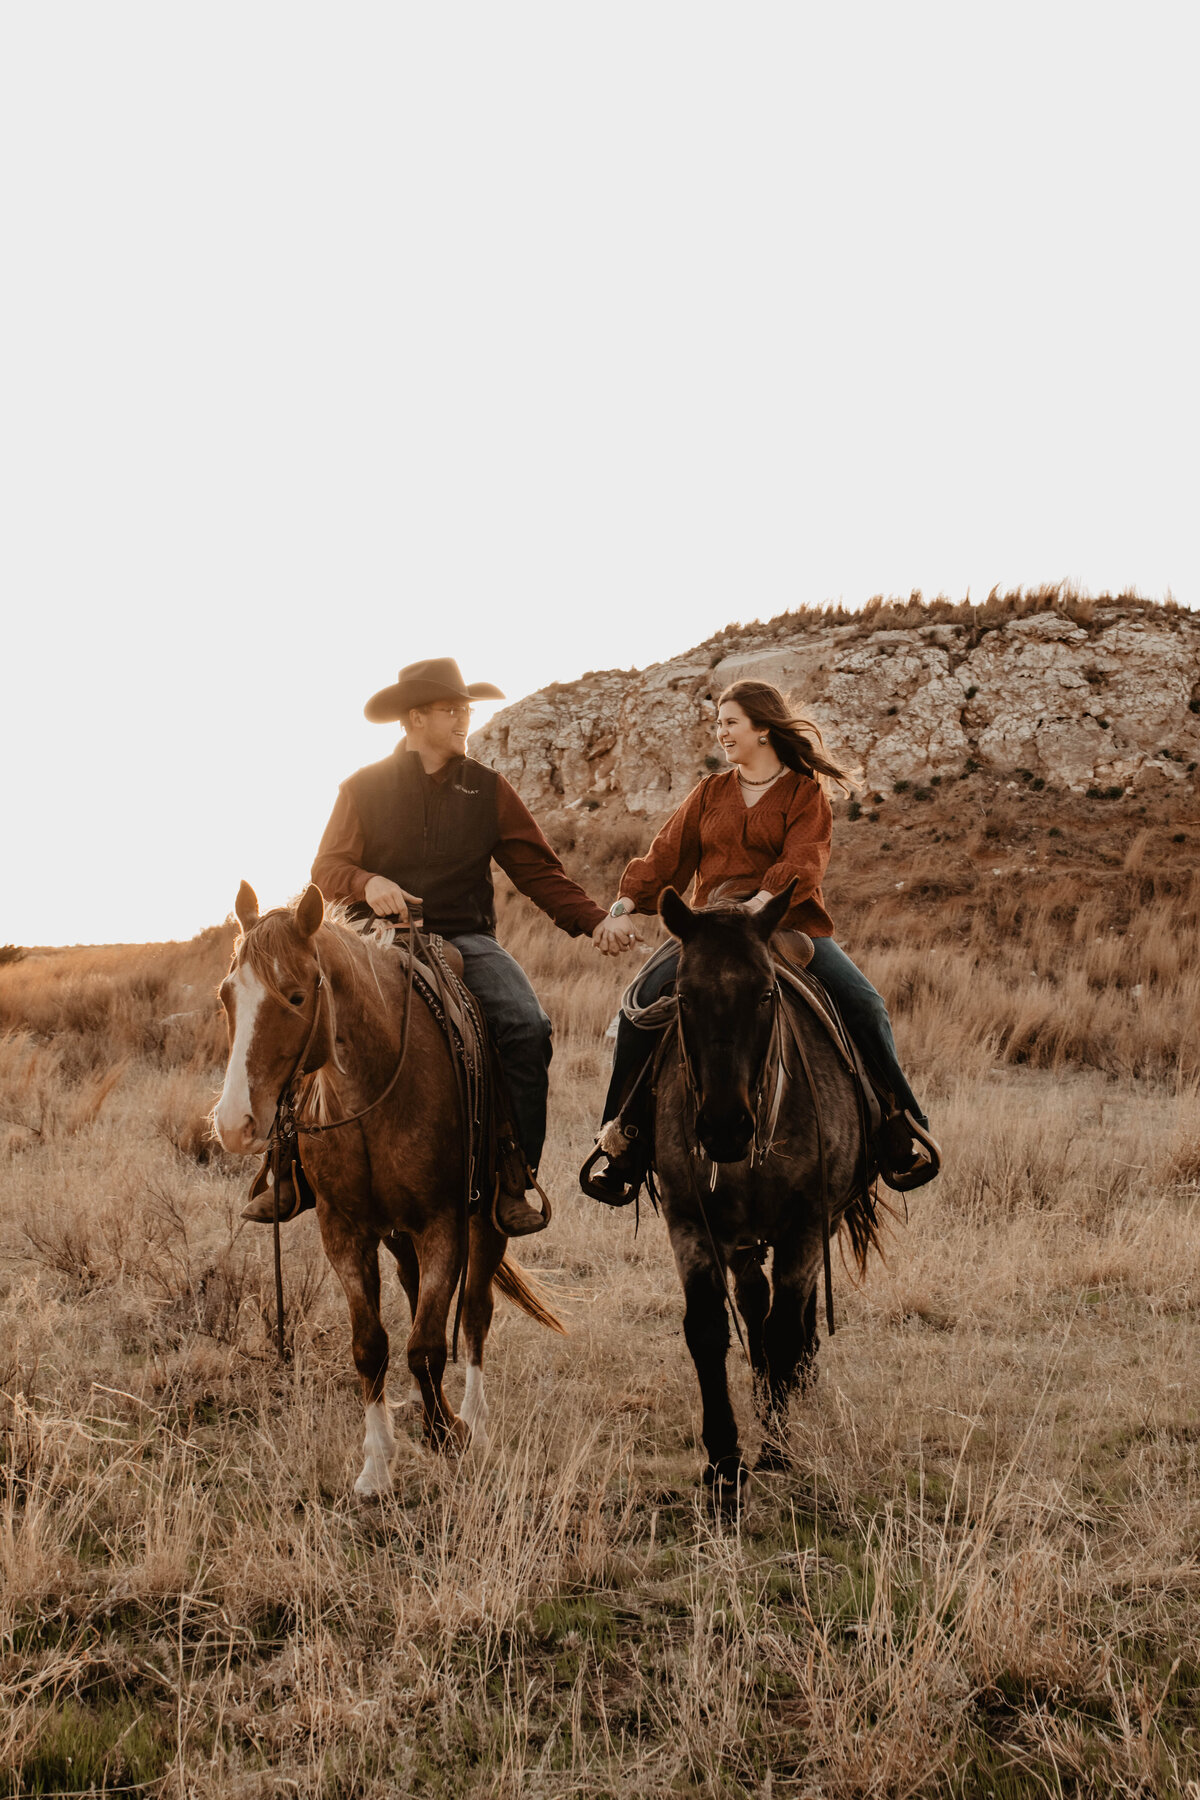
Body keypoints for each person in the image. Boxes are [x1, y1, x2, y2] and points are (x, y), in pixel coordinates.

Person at [244, 656, 609, 1236]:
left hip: (464, 935)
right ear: (415, 718)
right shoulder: (362, 787)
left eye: (466, 708)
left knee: (526, 1026)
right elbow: (327, 866)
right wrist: (370, 883)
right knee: (306, 1015)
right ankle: (286, 1167)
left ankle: (513, 1176)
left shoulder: (487, 789)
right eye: (451, 709)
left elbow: (538, 871)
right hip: (371, 938)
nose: (464, 718)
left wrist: (594, 923)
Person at [585, 678, 937, 1204]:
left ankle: (901, 1126)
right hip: (710, 929)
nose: (721, 732)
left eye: (731, 723)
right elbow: (666, 857)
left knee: (865, 1005)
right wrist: (622, 906)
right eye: (719, 723)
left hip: (787, 925)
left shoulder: (804, 793)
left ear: (764, 730)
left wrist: (760, 904)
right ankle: (622, 1142)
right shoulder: (709, 792)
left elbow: (805, 860)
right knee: (638, 1009)